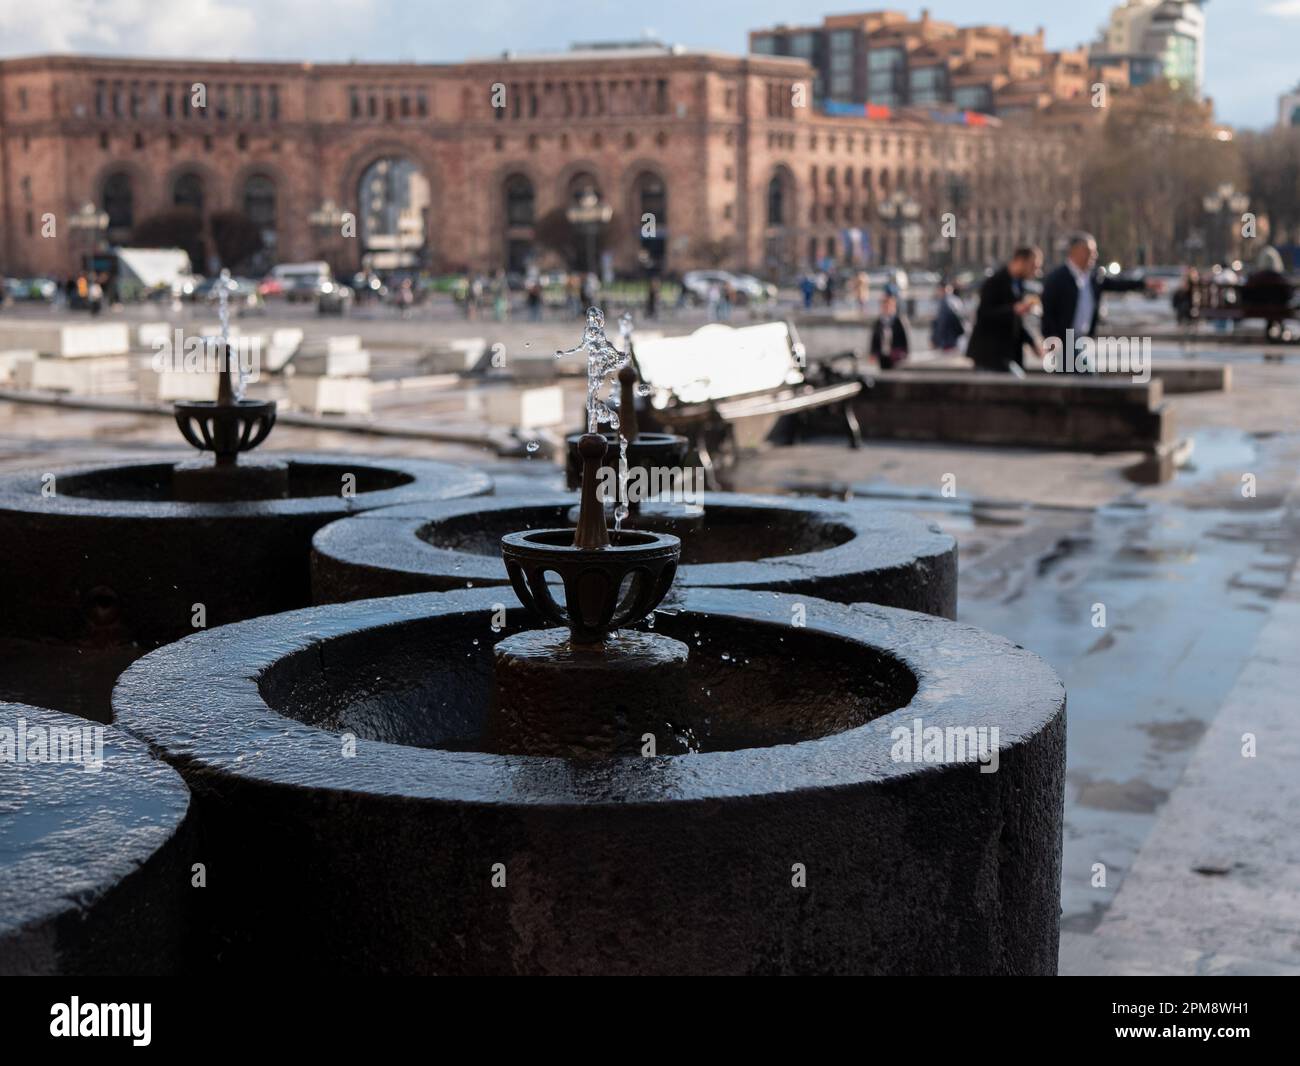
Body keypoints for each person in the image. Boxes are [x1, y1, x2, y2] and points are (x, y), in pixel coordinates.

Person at [1040, 232, 1146, 370]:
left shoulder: (1093, 277)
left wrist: (1144, 284)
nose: (1094, 255)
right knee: (1087, 377)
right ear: (1075, 251)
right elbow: (1047, 311)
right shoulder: (1057, 278)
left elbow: (1117, 284)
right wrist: (1051, 337)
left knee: (1079, 381)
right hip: (1063, 341)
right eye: (1090, 251)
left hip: (1082, 340)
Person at [966, 246, 1042, 372]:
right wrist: (1014, 309)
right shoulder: (994, 282)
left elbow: (1016, 322)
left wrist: (1032, 342)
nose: (1037, 271)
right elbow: (984, 315)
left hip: (1006, 356)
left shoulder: (1019, 283)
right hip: (989, 357)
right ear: (1020, 261)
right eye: (1033, 265)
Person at [870, 294, 910, 369]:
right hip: (882, 355)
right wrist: (872, 353)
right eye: (884, 306)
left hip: (896, 355)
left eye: (888, 306)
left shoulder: (899, 321)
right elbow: (874, 338)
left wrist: (906, 354)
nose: (886, 308)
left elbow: (905, 339)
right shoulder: (879, 322)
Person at [930, 282, 967, 352]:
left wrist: (935, 340)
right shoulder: (956, 300)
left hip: (948, 340)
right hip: (958, 339)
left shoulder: (945, 302)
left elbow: (942, 323)